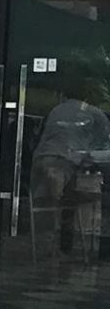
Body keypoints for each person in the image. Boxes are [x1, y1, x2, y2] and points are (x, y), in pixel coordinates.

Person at [31, 75, 110, 263]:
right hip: (66, 161)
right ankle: (63, 247)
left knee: (50, 204)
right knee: (65, 202)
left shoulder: (57, 110)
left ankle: (57, 247)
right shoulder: (95, 114)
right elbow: (104, 144)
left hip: (42, 158)